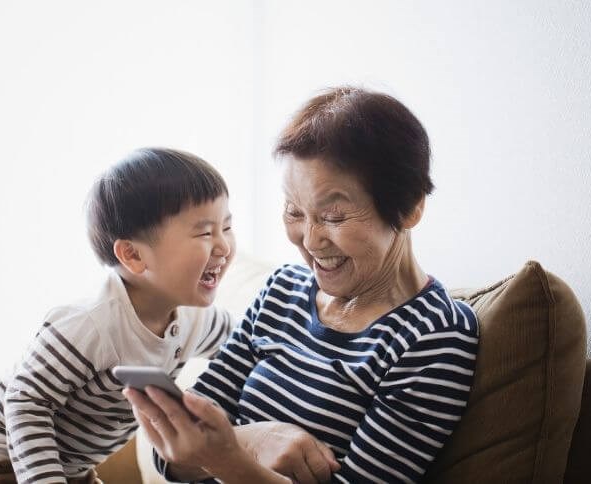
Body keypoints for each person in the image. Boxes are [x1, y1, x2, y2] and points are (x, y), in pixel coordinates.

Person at [124, 87, 480, 484]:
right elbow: (170, 453)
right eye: (294, 211)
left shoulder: (434, 336)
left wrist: (230, 460)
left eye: (333, 215)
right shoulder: (282, 291)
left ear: (410, 207)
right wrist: (255, 440)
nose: (309, 240)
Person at [0, 148, 237, 483]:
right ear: (133, 255)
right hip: (0, 456)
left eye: (227, 227)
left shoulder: (198, 320)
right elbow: (26, 402)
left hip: (70, 464)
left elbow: (246, 345)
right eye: (204, 232)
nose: (224, 246)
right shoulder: (92, 325)